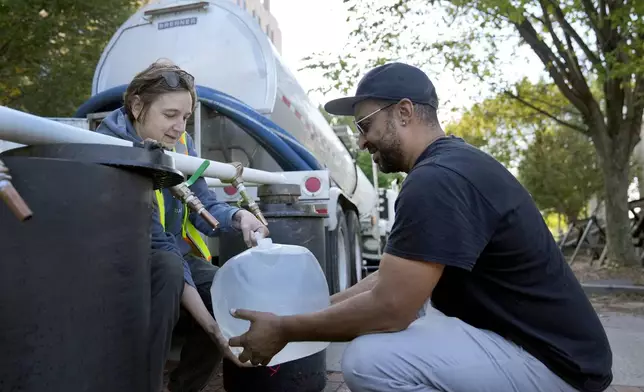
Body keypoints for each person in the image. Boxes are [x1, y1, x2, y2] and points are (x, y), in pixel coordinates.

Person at [226, 62, 614, 392]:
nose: (361, 141)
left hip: (555, 367)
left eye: (365, 125)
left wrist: (285, 330)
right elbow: (387, 282)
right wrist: (309, 312)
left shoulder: (437, 179)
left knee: (369, 360)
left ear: (405, 112)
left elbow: (390, 309)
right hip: (544, 348)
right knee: (408, 319)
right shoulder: (448, 166)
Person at [96, 59, 268, 392]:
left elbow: (204, 202)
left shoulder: (183, 144)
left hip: (172, 253)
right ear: (136, 106)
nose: (179, 126)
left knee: (226, 290)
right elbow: (157, 242)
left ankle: (184, 388)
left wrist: (238, 216)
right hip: (123, 258)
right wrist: (214, 332)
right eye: (170, 115)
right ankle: (142, 383)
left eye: (186, 116)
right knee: (170, 269)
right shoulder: (113, 145)